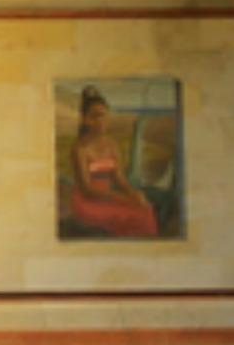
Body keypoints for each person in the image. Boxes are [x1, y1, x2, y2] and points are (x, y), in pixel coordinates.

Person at [58, 86, 160, 241]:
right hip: (89, 202)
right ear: (85, 119)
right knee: (132, 214)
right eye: (94, 116)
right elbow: (87, 190)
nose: (100, 121)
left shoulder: (112, 145)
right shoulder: (80, 149)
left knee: (145, 208)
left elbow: (118, 178)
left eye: (103, 116)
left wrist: (132, 193)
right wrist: (122, 199)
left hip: (108, 197)